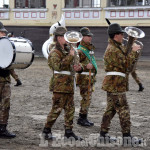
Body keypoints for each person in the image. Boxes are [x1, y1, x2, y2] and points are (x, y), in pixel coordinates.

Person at [99, 23, 142, 144]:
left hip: (115, 83)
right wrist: (134, 51)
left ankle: (103, 135)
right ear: (115, 36)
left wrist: (130, 45)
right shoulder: (113, 49)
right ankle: (127, 137)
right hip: (115, 84)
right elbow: (126, 65)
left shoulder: (117, 47)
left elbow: (125, 56)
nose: (123, 35)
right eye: (121, 33)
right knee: (124, 109)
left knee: (111, 109)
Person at [42, 27, 83, 140]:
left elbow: (75, 65)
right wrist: (70, 56)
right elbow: (58, 66)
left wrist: (79, 68)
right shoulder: (54, 52)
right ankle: (46, 130)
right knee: (57, 109)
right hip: (60, 84)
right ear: (59, 38)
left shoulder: (68, 49)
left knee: (70, 109)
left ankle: (68, 132)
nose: (68, 40)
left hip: (69, 84)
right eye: (65, 37)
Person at [76, 27, 97, 127]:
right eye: (88, 36)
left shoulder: (89, 48)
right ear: (82, 37)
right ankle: (82, 118)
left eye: (90, 36)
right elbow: (75, 65)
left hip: (89, 78)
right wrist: (85, 66)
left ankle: (84, 117)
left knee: (88, 98)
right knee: (86, 98)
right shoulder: (80, 51)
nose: (90, 38)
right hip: (84, 78)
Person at [0, 21, 16, 138]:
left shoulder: (5, 45)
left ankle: (2, 128)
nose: (3, 34)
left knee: (5, 104)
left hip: (4, 79)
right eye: (1, 32)